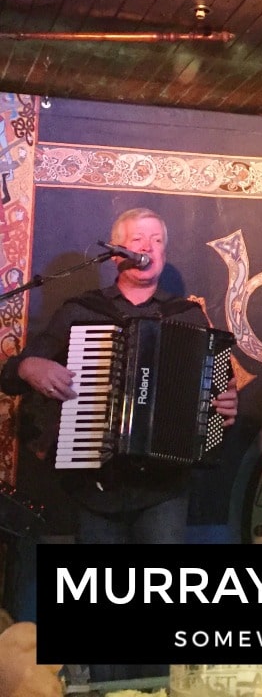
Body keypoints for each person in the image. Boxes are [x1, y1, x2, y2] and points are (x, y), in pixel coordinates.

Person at [0, 207, 238, 546]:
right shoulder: (81, 310)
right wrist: (27, 366)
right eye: (138, 239)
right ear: (116, 254)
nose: (148, 246)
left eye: (157, 240)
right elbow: (10, 377)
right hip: (95, 484)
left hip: (164, 487)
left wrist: (224, 404)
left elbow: (218, 391)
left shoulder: (187, 315)